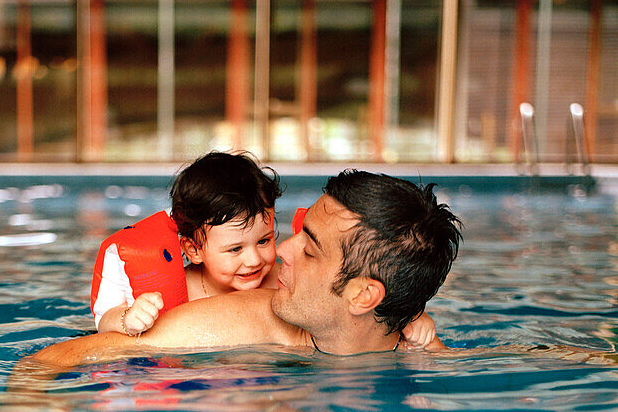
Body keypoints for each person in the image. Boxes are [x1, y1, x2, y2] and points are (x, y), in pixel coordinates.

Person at [27, 169, 462, 370]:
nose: (282, 253)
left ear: (364, 296)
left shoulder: (421, 354)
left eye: (309, 250)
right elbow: (52, 360)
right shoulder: (244, 318)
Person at [92, 152, 437, 348]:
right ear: (193, 249)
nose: (255, 259)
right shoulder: (172, 293)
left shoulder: (283, 282)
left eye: (264, 240)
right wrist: (126, 318)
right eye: (235, 249)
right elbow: (106, 329)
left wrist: (410, 315)